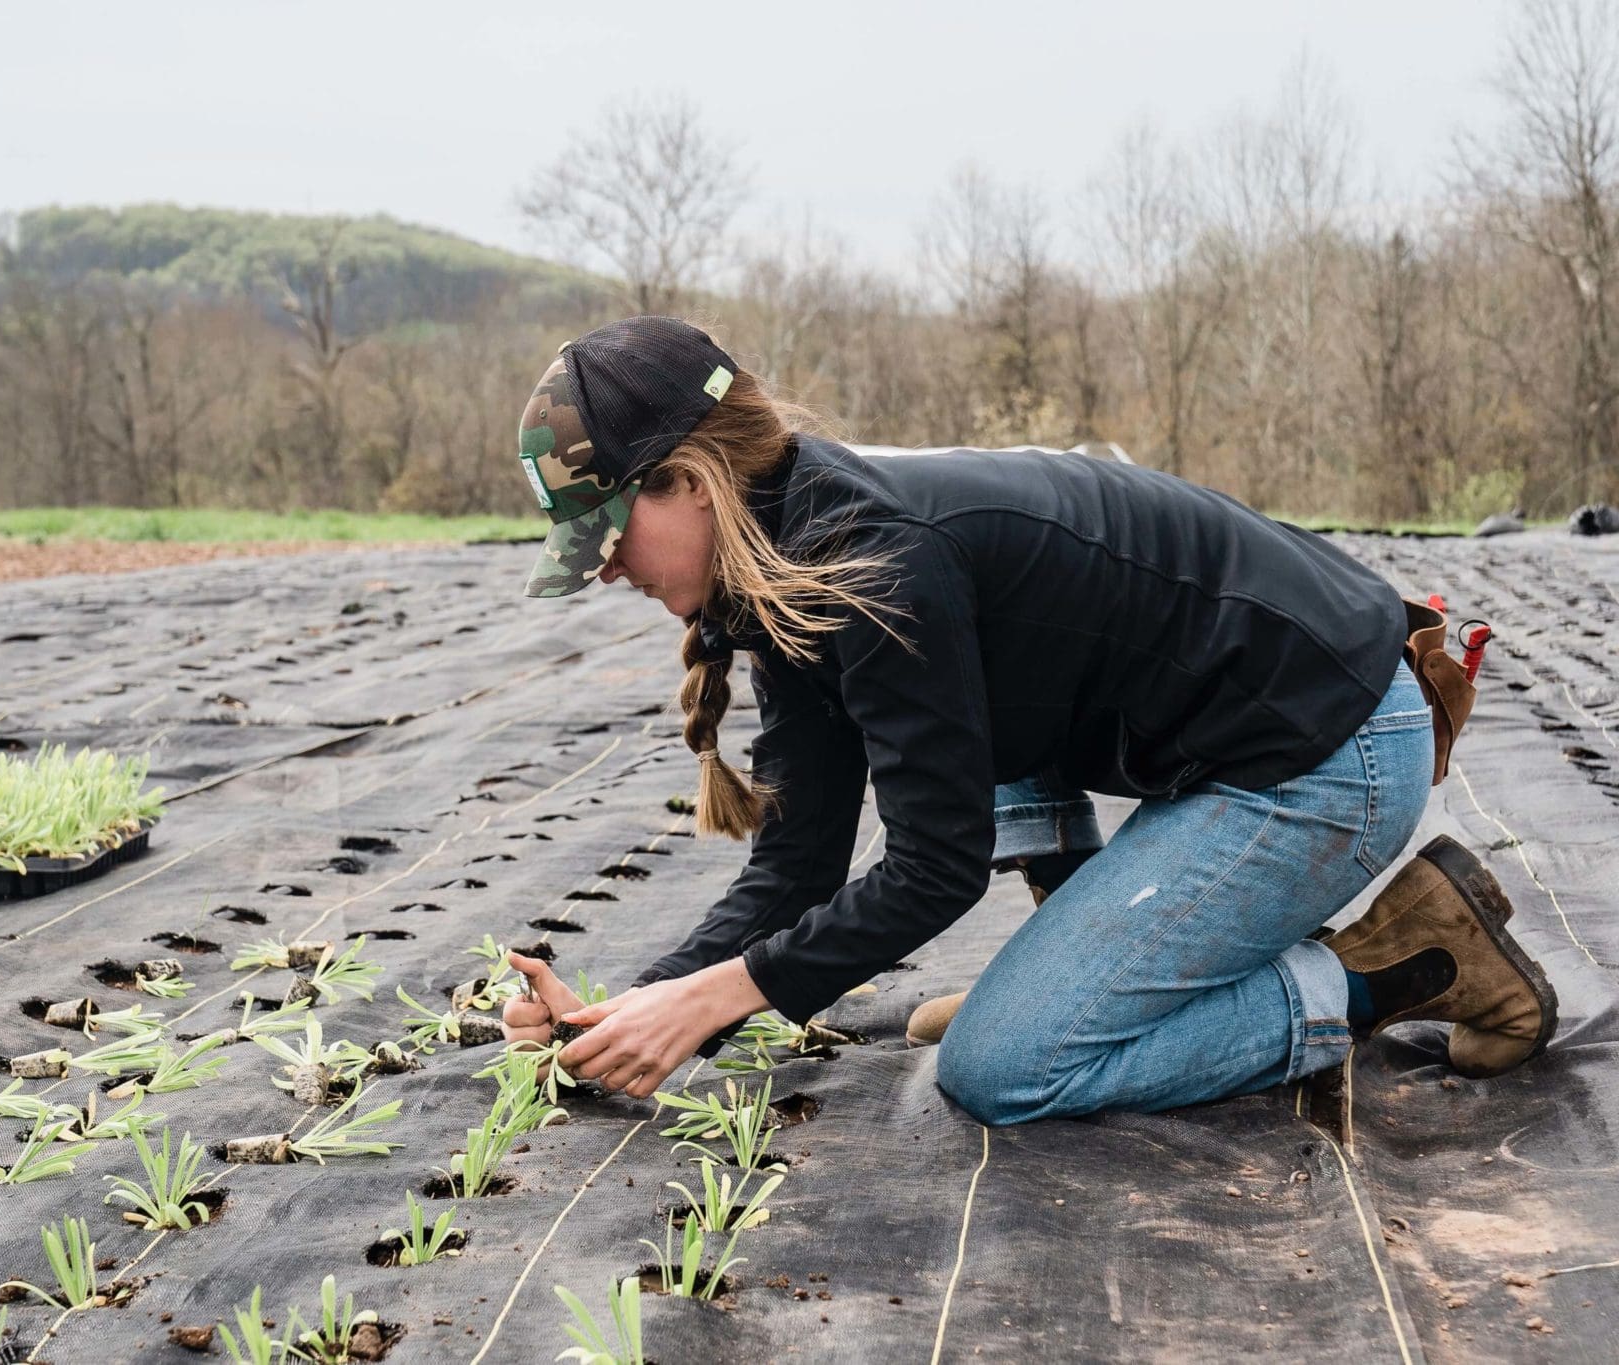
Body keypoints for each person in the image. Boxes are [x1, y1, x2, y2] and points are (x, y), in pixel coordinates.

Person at [498, 315, 1558, 1123]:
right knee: (979, 785)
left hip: (1328, 751)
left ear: (686, 481)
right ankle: (1076, 973)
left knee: (1005, 1068)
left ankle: (1404, 964)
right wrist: (628, 1013)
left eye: (607, 537)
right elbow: (797, 865)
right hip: (1243, 724)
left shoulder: (873, 563)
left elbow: (933, 867)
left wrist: (710, 999)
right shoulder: (779, 565)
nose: (601, 575)